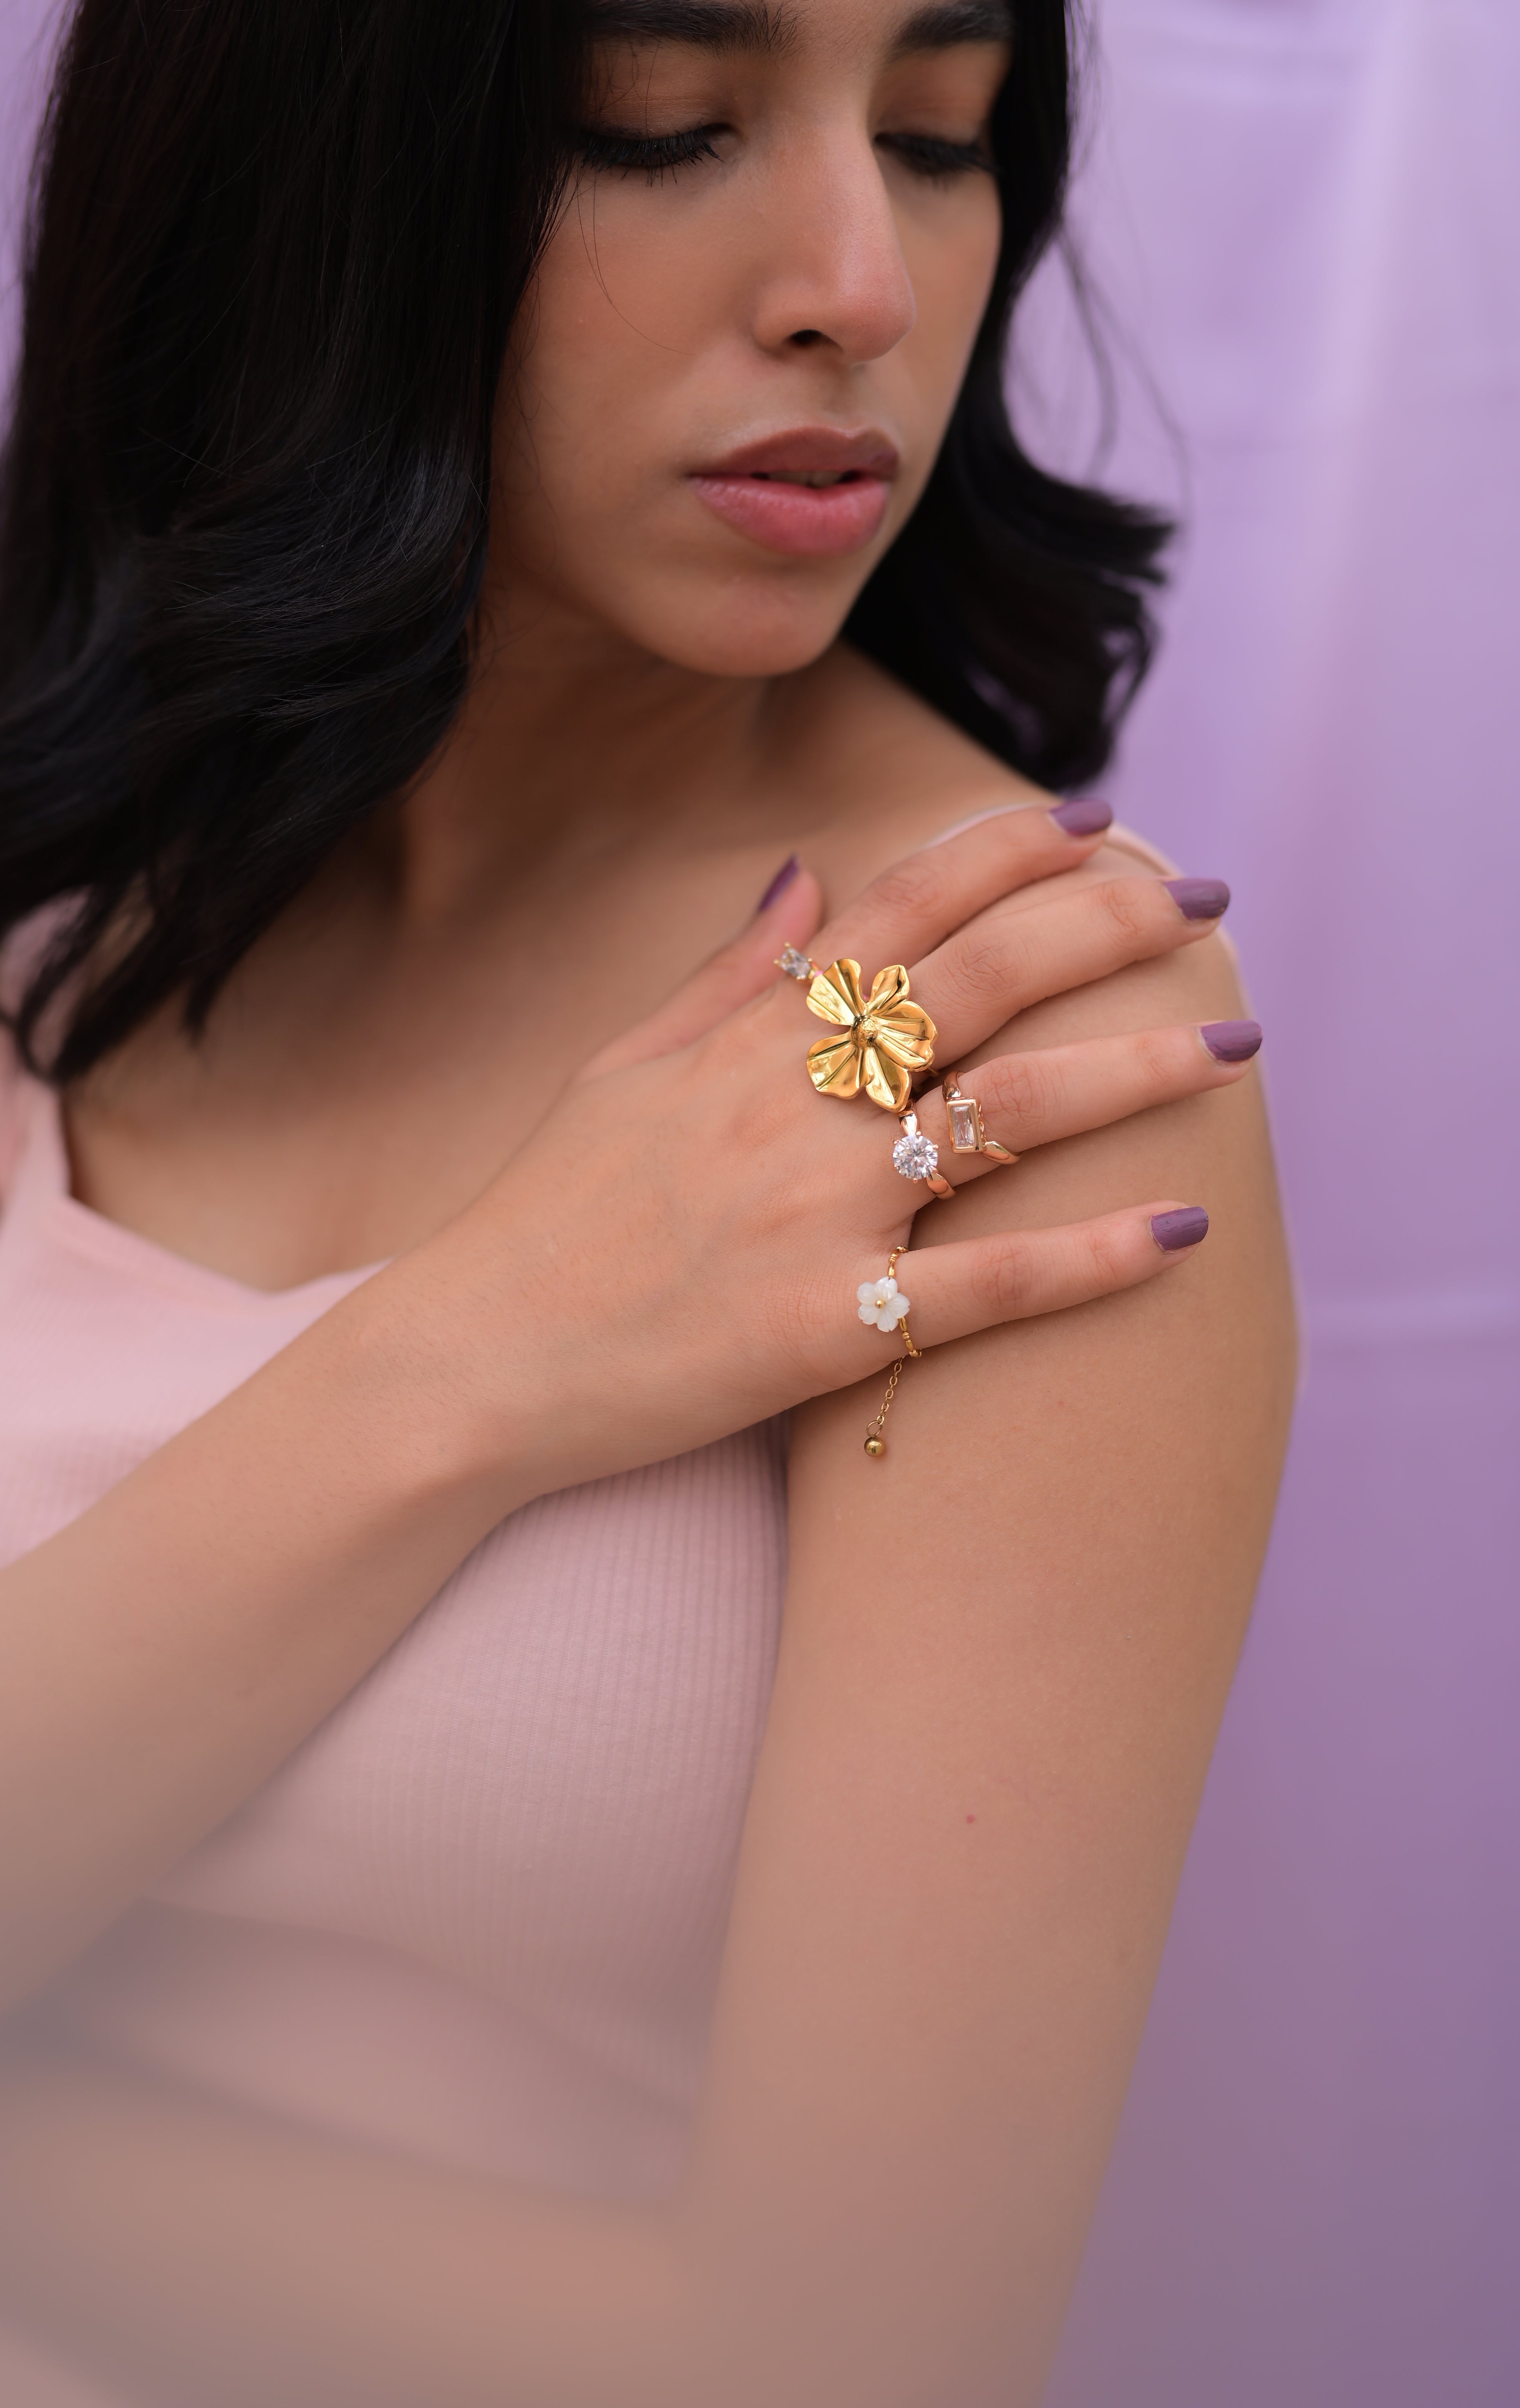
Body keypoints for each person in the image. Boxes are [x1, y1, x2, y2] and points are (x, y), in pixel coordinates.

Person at [0, 0, 1296, 2397]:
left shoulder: (978, 1028)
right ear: (300, 173)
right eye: (663, 126)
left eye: (939, 135)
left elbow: (857, 2355)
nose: (859, 284)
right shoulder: (53, 901)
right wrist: (478, 1353)